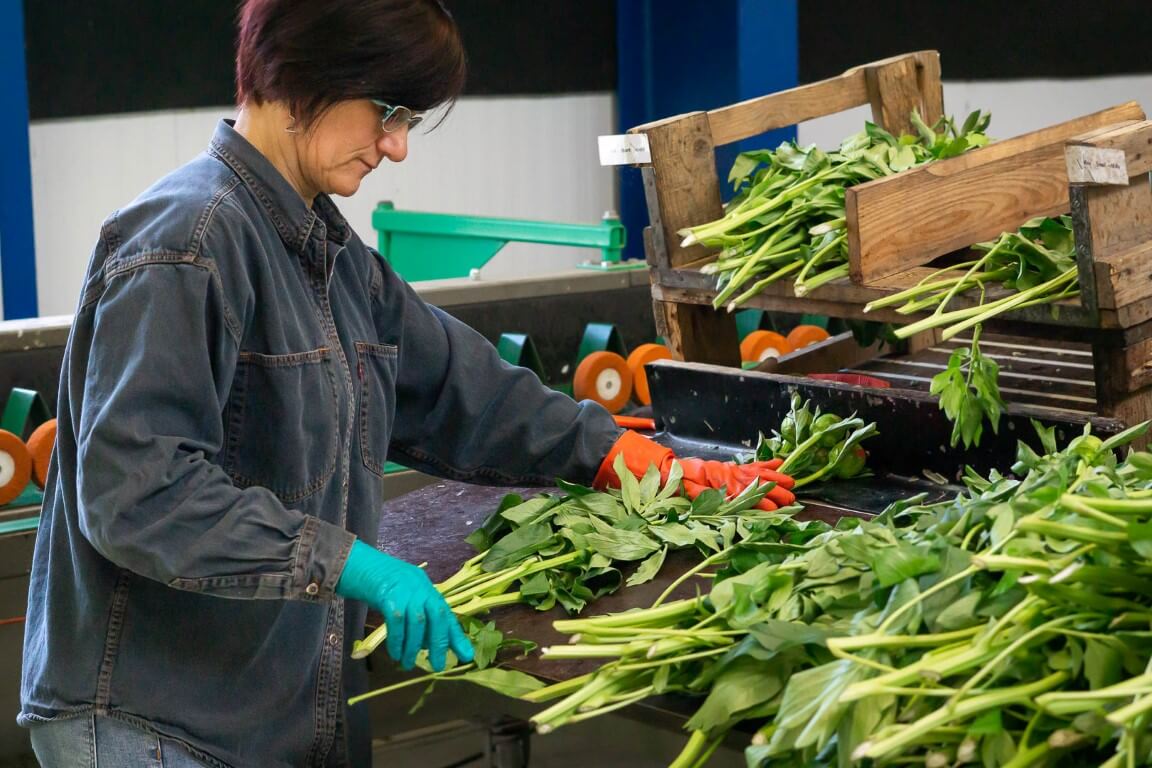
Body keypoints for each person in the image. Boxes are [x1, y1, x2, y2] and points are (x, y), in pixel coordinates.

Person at [18, 2, 794, 766]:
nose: (395, 148)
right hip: (154, 726)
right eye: (386, 112)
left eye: (408, 121)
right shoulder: (184, 244)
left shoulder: (326, 252)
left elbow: (467, 390)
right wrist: (353, 562)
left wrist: (623, 457)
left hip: (265, 715)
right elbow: (139, 492)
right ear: (300, 77)